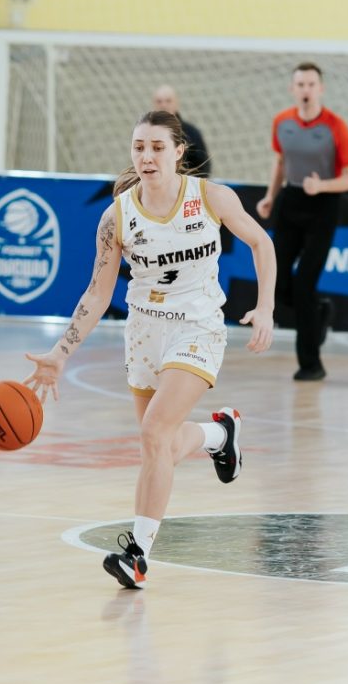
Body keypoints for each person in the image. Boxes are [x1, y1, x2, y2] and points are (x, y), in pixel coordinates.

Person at [23, 110, 276, 590]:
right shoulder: (116, 216)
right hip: (143, 333)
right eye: (139, 147)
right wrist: (60, 352)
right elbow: (98, 294)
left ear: (179, 152)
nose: (147, 156)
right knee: (160, 444)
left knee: (155, 432)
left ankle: (137, 555)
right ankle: (219, 435)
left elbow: (262, 244)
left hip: (198, 329)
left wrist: (265, 308)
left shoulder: (211, 198)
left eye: (157, 147)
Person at [256, 62, 348, 381]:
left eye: (311, 84)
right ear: (292, 89)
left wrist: (322, 186)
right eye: (300, 84)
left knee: (304, 286)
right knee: (278, 281)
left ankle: (311, 364)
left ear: (321, 88)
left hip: (323, 206)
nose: (306, 90)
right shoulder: (281, 122)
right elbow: (280, 162)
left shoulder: (336, 126)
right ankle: (319, 310)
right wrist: (270, 196)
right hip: (290, 200)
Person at [151, 85, 211, 177]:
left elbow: (204, 166)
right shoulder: (145, 133)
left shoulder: (192, 133)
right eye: (159, 101)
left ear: (176, 104)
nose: (163, 105)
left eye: (168, 101)